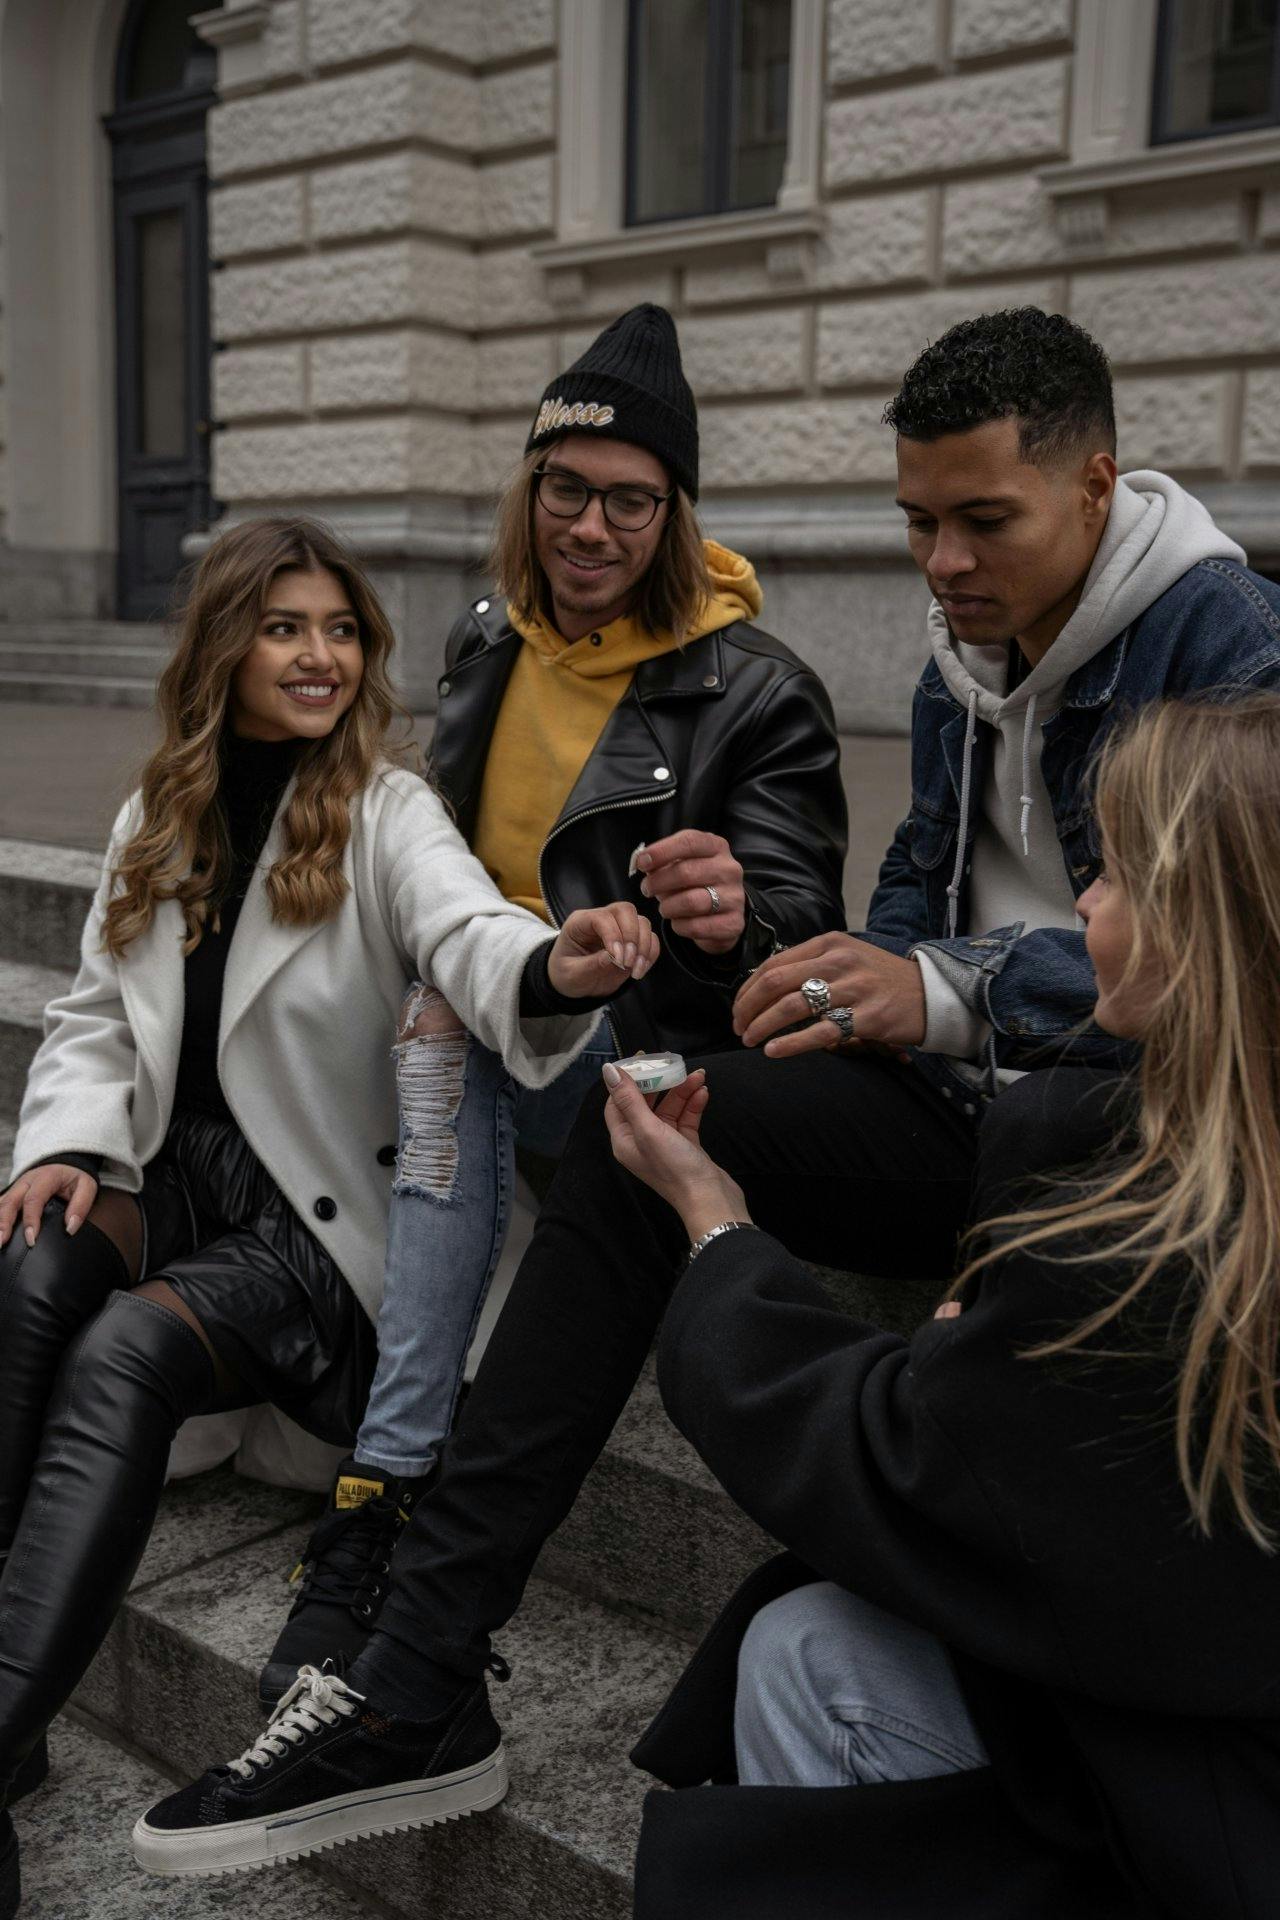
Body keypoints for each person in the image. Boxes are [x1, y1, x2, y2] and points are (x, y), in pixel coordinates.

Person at [138, 306, 1280, 1878]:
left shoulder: (1224, 642)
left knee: (685, 1101)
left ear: (1096, 486)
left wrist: (941, 985)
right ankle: (419, 1671)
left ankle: (398, 1576)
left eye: (981, 522)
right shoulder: (948, 659)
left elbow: (1236, 954)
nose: (940, 563)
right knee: (647, 1127)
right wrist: (831, 970)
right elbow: (896, 907)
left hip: (1131, 1124)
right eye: (915, 522)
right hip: (954, 1099)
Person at [0, 516, 650, 1917]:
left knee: (124, 1352)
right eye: (284, 627)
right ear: (222, 646)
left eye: (340, 630)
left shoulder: (385, 809)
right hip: (189, 1185)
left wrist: (561, 966)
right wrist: (58, 1141)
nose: (317, 656)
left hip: (330, 1239)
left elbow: (470, 935)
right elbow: (98, 1015)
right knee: (33, 1263)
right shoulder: (159, 814)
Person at [260, 299, 847, 1701]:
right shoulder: (486, 642)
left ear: (677, 512)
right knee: (420, 1020)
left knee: (452, 1039)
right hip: (488, 1023)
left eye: (631, 502)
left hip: (649, 1062)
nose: (592, 529)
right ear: (530, 493)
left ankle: (384, 1488)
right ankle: (378, 1474)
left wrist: (725, 917)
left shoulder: (755, 691)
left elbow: (803, 934)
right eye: (567, 490)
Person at [615, 694, 1280, 1920]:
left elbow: (897, 1464)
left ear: (1209, 926)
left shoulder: (1150, 1237)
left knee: (806, 1652)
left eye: (1119, 874)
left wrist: (711, 1220)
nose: (1077, 903)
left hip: (1210, 1831)